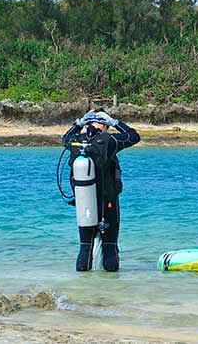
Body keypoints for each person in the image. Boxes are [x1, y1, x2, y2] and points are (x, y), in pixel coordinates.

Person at [62, 108, 140, 272]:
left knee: (85, 248)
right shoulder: (108, 141)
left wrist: (78, 124)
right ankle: (109, 290)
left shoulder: (76, 142)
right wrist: (115, 122)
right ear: (104, 124)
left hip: (85, 203)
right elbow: (133, 137)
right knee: (110, 248)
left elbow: (65, 138)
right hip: (108, 203)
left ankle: (82, 290)